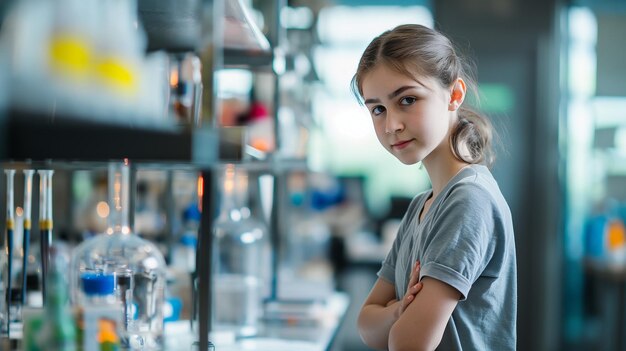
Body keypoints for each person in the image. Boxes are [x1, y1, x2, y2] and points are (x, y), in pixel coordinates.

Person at [352, 24, 516, 350]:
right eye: (378, 109)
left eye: (408, 100)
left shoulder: (469, 201)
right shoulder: (421, 205)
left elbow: (408, 343)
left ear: (454, 95)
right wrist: (401, 309)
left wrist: (393, 318)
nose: (391, 125)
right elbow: (366, 327)